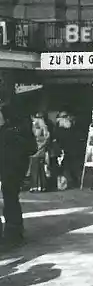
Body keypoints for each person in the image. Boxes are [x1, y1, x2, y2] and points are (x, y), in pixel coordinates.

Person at [0, 106, 34, 249]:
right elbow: (32, 148)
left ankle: (13, 230)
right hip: (18, 167)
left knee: (9, 197)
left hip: (8, 167)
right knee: (11, 197)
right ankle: (15, 229)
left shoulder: (6, 133)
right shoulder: (23, 129)